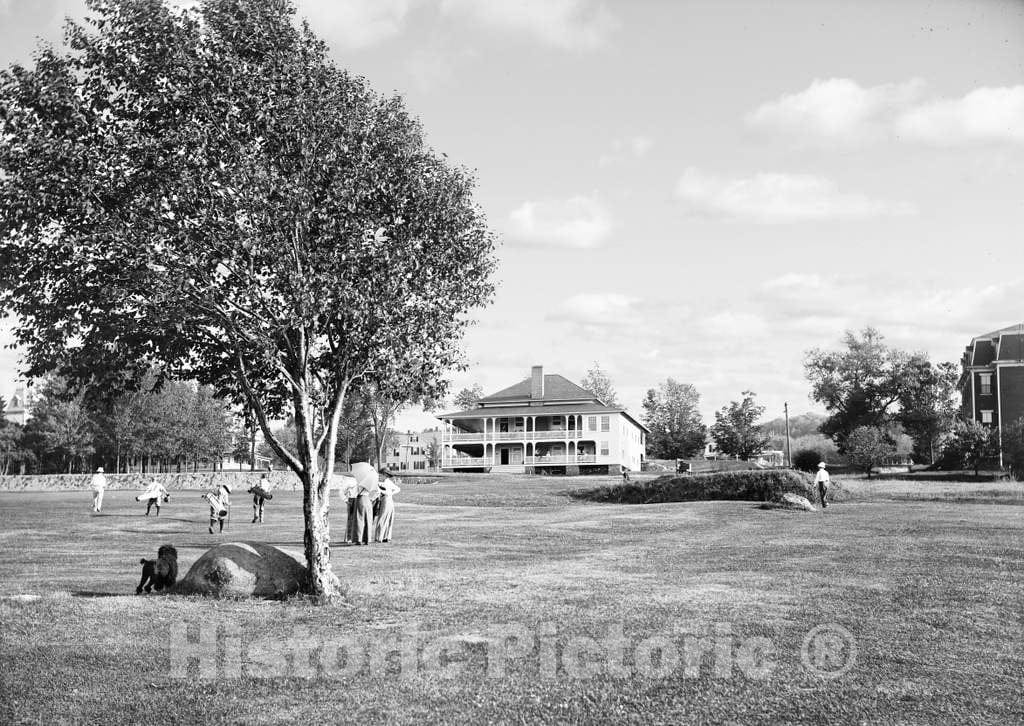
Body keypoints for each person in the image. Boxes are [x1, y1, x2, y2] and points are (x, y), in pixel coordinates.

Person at [350, 462, 379, 546]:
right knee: (368, 520)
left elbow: (354, 493)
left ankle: (358, 539)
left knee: (359, 519)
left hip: (360, 499)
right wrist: (372, 499)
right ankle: (367, 539)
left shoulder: (359, 483)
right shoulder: (371, 483)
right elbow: (377, 493)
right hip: (368, 501)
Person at [374, 469, 401, 543]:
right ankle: (385, 537)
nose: (379, 476)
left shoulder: (388, 482)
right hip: (385, 500)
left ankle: (380, 537)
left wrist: (384, 492)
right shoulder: (383, 482)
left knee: (383, 518)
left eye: (381, 475)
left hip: (387, 500)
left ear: (385, 475)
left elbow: (397, 489)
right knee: (386, 518)